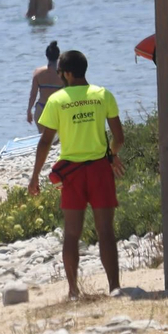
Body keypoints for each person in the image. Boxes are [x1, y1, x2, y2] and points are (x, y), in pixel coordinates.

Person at [28, 50, 125, 300]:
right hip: (100, 170)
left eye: (61, 73)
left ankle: (73, 291)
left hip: (71, 173)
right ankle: (114, 286)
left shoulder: (57, 100)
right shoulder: (102, 95)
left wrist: (35, 175)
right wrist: (112, 155)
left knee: (72, 233)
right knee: (106, 231)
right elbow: (119, 137)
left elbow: (45, 142)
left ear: (67, 73)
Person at [26, 41, 64, 125]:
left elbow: (33, 95)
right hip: (57, 110)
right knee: (60, 137)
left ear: (46, 55)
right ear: (59, 55)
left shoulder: (38, 72)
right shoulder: (63, 73)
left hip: (41, 109)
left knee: (43, 137)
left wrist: (29, 111)